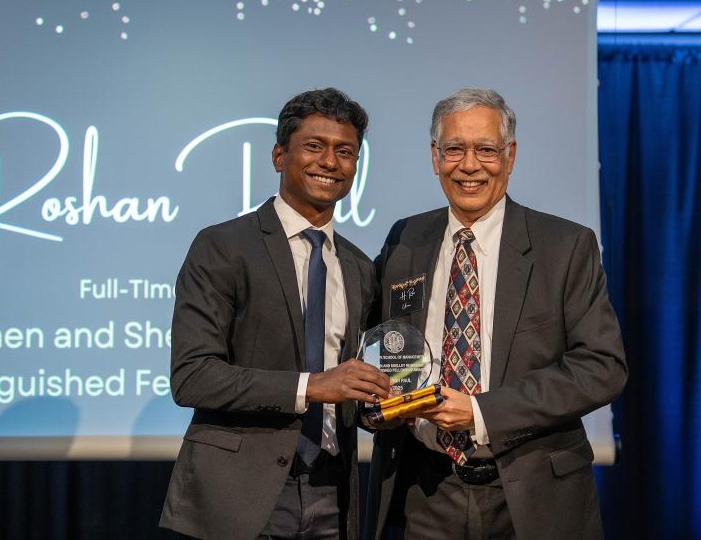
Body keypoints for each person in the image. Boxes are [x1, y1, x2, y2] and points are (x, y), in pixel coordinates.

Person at [363, 88, 628, 540]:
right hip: (424, 494)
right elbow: (383, 346)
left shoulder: (565, 246)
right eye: (454, 150)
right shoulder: (404, 239)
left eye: (486, 149)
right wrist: (380, 403)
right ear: (434, 156)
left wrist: (482, 412)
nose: (469, 165)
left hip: (532, 496)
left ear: (510, 155)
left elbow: (602, 368)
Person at [160, 88, 391, 540]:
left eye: (345, 152)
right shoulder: (223, 247)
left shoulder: (361, 267)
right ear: (278, 155)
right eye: (314, 146)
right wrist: (313, 386)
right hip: (237, 495)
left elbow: (358, 389)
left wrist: (387, 407)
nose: (330, 162)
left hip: (332, 492)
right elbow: (193, 377)